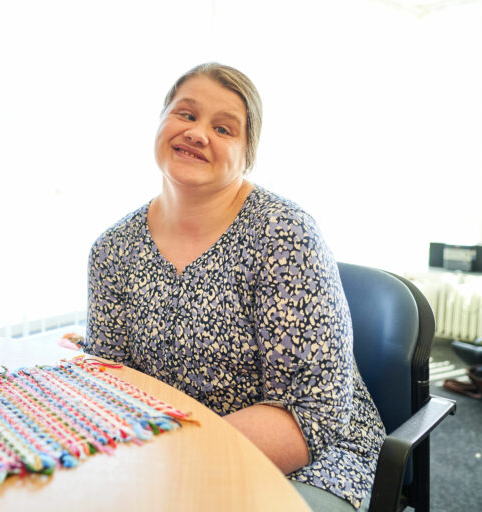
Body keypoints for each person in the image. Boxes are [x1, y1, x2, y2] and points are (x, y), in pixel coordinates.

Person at [81, 63, 385, 511]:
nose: (198, 133)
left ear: (248, 154)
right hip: (165, 458)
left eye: (224, 128)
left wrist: (178, 464)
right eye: (185, 114)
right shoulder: (112, 249)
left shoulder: (283, 234)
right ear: (161, 122)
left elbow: (312, 415)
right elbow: (112, 384)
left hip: (312, 462)